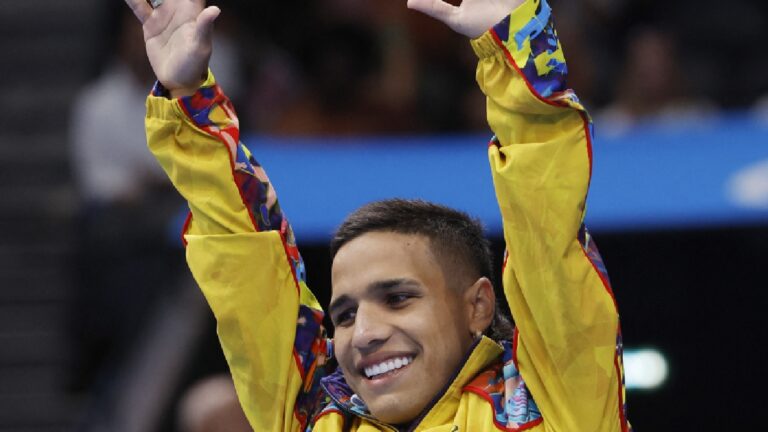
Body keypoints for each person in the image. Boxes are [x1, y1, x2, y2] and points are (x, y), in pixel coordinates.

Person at [124, 0, 631, 430]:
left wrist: (512, 43)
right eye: (343, 315)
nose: (364, 333)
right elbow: (243, 266)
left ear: (477, 306)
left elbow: (546, 226)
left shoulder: (555, 405)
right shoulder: (311, 416)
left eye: (397, 297)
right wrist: (188, 101)